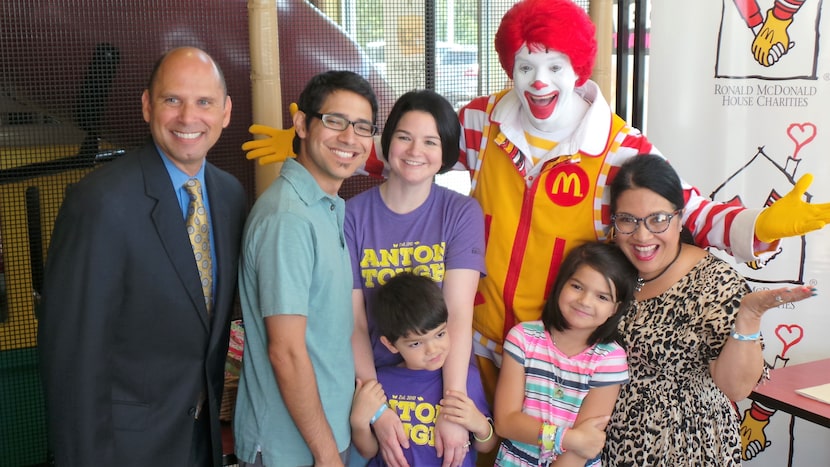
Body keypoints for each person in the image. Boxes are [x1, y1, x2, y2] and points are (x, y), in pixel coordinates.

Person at [241, 0, 830, 414]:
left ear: (578, 69)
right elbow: (413, 155)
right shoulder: (481, 119)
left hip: (558, 350)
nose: (539, 82)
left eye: (553, 67)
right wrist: (324, 150)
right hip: (473, 337)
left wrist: (755, 224)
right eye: (526, 66)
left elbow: (682, 208)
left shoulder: (617, 144)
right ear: (509, 67)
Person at [38, 46, 246, 467]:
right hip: (123, 450)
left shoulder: (230, 196)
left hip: (200, 441)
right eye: (173, 100)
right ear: (147, 106)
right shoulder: (98, 203)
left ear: (225, 111)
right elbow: (72, 358)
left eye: (204, 102)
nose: (189, 118)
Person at [602, 154, 817, 465]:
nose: (642, 235)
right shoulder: (605, 268)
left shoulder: (714, 281)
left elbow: (737, 388)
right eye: (628, 220)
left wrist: (749, 317)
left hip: (687, 449)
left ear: (679, 218)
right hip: (607, 445)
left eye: (657, 219)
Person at [233, 70, 377, 467]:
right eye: (334, 121)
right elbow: (287, 351)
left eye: (362, 127)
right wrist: (326, 453)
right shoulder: (289, 218)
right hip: (291, 448)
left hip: (326, 434)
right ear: (301, 124)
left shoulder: (327, 206)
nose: (349, 138)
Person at [345, 89, 486, 467]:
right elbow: (355, 321)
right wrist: (376, 409)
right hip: (373, 386)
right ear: (388, 141)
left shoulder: (461, 213)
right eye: (404, 137)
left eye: (430, 141)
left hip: (439, 383)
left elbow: (458, 312)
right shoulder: (350, 216)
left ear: (446, 152)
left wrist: (454, 409)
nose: (414, 151)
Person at [494, 242, 635, 467]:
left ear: (615, 309)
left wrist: (578, 442)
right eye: (577, 287)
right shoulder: (523, 338)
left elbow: (585, 446)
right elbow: (505, 422)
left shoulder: (610, 359)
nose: (585, 301)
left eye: (602, 297)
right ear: (561, 284)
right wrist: (568, 438)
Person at [350, 273, 498, 466]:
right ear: (391, 344)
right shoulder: (381, 383)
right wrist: (359, 424)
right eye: (416, 343)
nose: (433, 349)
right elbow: (369, 450)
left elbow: (488, 446)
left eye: (440, 334)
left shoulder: (466, 379)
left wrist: (479, 424)